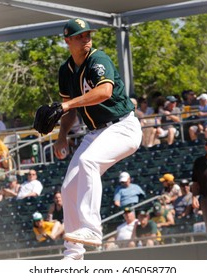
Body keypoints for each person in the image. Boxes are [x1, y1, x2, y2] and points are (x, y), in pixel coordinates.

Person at [53, 18, 142, 260]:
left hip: (123, 127)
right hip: (95, 133)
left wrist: (66, 104)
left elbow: (104, 92)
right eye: (80, 36)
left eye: (88, 34)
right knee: (69, 187)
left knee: (88, 162)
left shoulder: (98, 58)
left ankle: (92, 229)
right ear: (67, 41)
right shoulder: (66, 71)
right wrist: (62, 137)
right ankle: (74, 253)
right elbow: (70, 112)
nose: (86, 38)